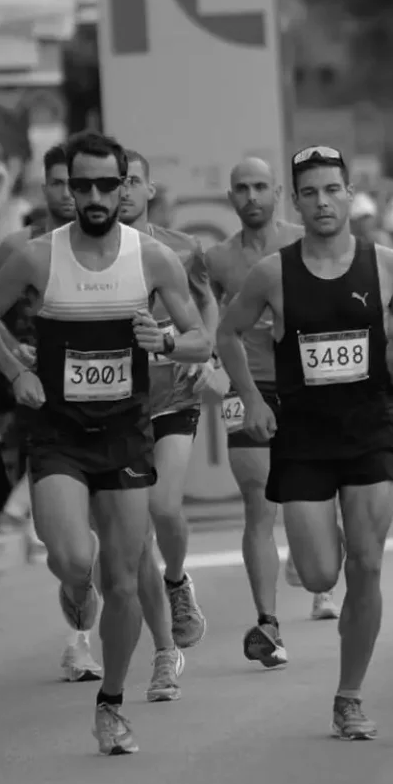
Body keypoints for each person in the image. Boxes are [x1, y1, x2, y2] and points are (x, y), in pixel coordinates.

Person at [0, 131, 213, 756]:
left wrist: (163, 341)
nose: (97, 197)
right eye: (84, 185)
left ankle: (111, 705)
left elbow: (200, 341)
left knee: (124, 579)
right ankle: (77, 583)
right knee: (75, 559)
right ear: (69, 190)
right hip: (59, 432)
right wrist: (16, 372)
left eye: (109, 184)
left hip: (126, 432)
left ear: (125, 187)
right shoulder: (36, 257)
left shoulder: (153, 258)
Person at [215, 145, 393, 740]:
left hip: (370, 432)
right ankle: (318, 546)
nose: (322, 202)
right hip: (305, 439)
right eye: (309, 193)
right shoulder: (272, 273)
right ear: (296, 201)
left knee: (367, 565)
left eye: (332, 190)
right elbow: (228, 334)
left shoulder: (384, 264)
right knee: (318, 576)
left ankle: (349, 695)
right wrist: (252, 399)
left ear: (349, 194)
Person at [205, 158, 329, 671]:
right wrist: (213, 367)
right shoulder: (216, 259)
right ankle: (268, 625)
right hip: (249, 387)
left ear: (278, 193)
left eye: (260, 187)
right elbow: (211, 323)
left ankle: (316, 573)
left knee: (317, 494)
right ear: (230, 197)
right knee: (259, 503)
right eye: (242, 188)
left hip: (308, 385)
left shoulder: (305, 242)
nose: (251, 196)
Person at [0, 146, 99, 678]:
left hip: (112, 406)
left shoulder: (114, 244)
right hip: (45, 403)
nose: (68, 192)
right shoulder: (19, 247)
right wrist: (17, 364)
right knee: (63, 548)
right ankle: (78, 596)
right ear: (46, 188)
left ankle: (87, 643)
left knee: (116, 536)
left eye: (75, 182)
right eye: (57, 182)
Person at [121, 150, 219, 701]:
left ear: (150, 189)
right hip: (119, 404)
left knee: (163, 506)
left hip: (175, 392)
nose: (123, 191)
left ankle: (177, 580)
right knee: (133, 534)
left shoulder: (182, 248)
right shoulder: (90, 256)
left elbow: (207, 306)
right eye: (115, 182)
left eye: (132, 181)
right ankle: (163, 646)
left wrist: (203, 350)